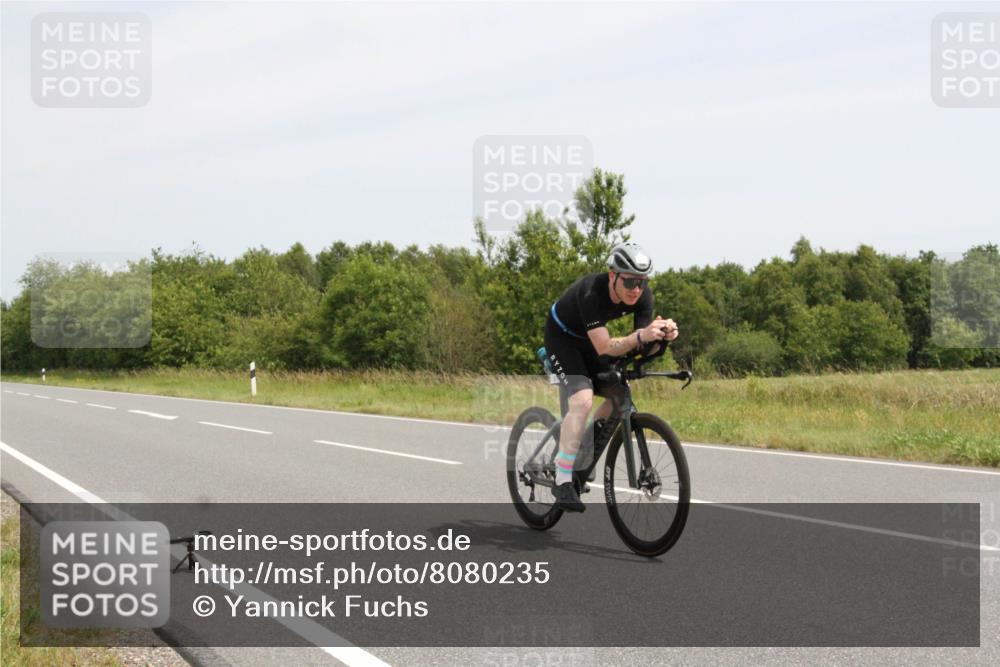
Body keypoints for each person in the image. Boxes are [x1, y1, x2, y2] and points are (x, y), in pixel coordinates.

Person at [544, 242, 679, 512]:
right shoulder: (591, 292)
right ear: (612, 276)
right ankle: (562, 477)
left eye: (642, 282)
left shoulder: (642, 295)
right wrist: (641, 336)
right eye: (629, 282)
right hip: (563, 340)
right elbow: (605, 346)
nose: (636, 289)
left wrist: (662, 337)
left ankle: (585, 449)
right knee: (582, 400)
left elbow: (641, 344)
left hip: (592, 342)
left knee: (619, 394)